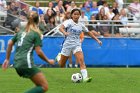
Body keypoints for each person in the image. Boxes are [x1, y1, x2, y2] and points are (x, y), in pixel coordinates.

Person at [2, 11, 55, 93]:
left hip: (17, 63)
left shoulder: (21, 31)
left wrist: (7, 59)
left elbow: (9, 43)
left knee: (38, 85)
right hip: (26, 62)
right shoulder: (36, 33)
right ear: (38, 21)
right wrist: (48, 61)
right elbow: (39, 52)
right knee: (44, 86)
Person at [56, 8, 102, 82]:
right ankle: (58, 57)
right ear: (72, 15)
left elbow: (89, 33)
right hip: (67, 45)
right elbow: (61, 28)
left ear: (80, 15)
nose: (76, 16)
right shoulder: (69, 22)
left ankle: (85, 78)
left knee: (81, 60)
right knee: (61, 65)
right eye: (75, 14)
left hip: (77, 44)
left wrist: (97, 40)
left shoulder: (81, 25)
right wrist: (65, 33)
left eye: (78, 14)